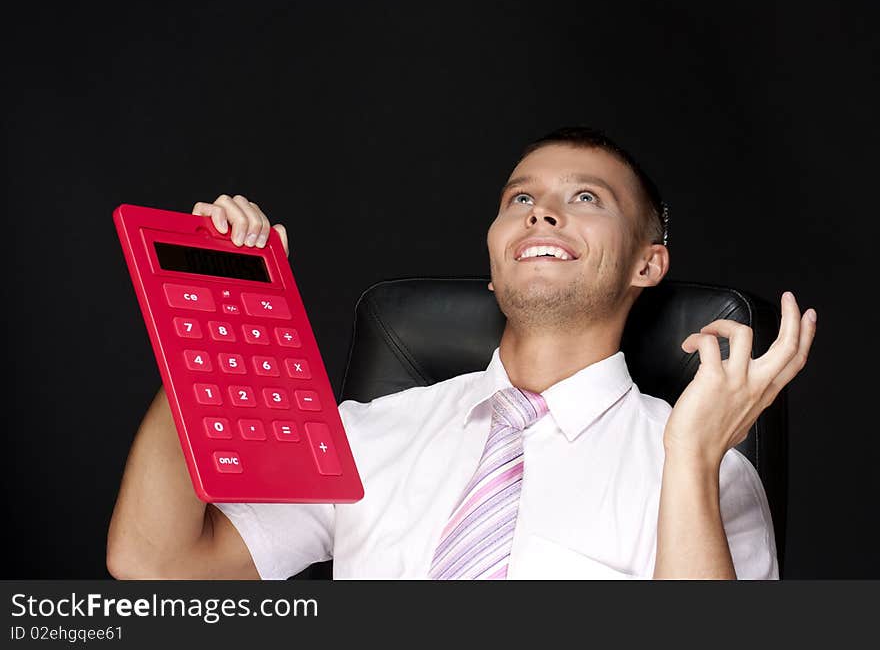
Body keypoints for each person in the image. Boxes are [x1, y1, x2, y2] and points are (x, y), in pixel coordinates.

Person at [105, 127, 817, 580]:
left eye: (585, 198)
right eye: (520, 199)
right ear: (495, 258)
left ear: (647, 264)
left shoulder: (703, 471)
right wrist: (210, 323)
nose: (542, 211)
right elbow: (155, 564)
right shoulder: (363, 435)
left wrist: (688, 460)